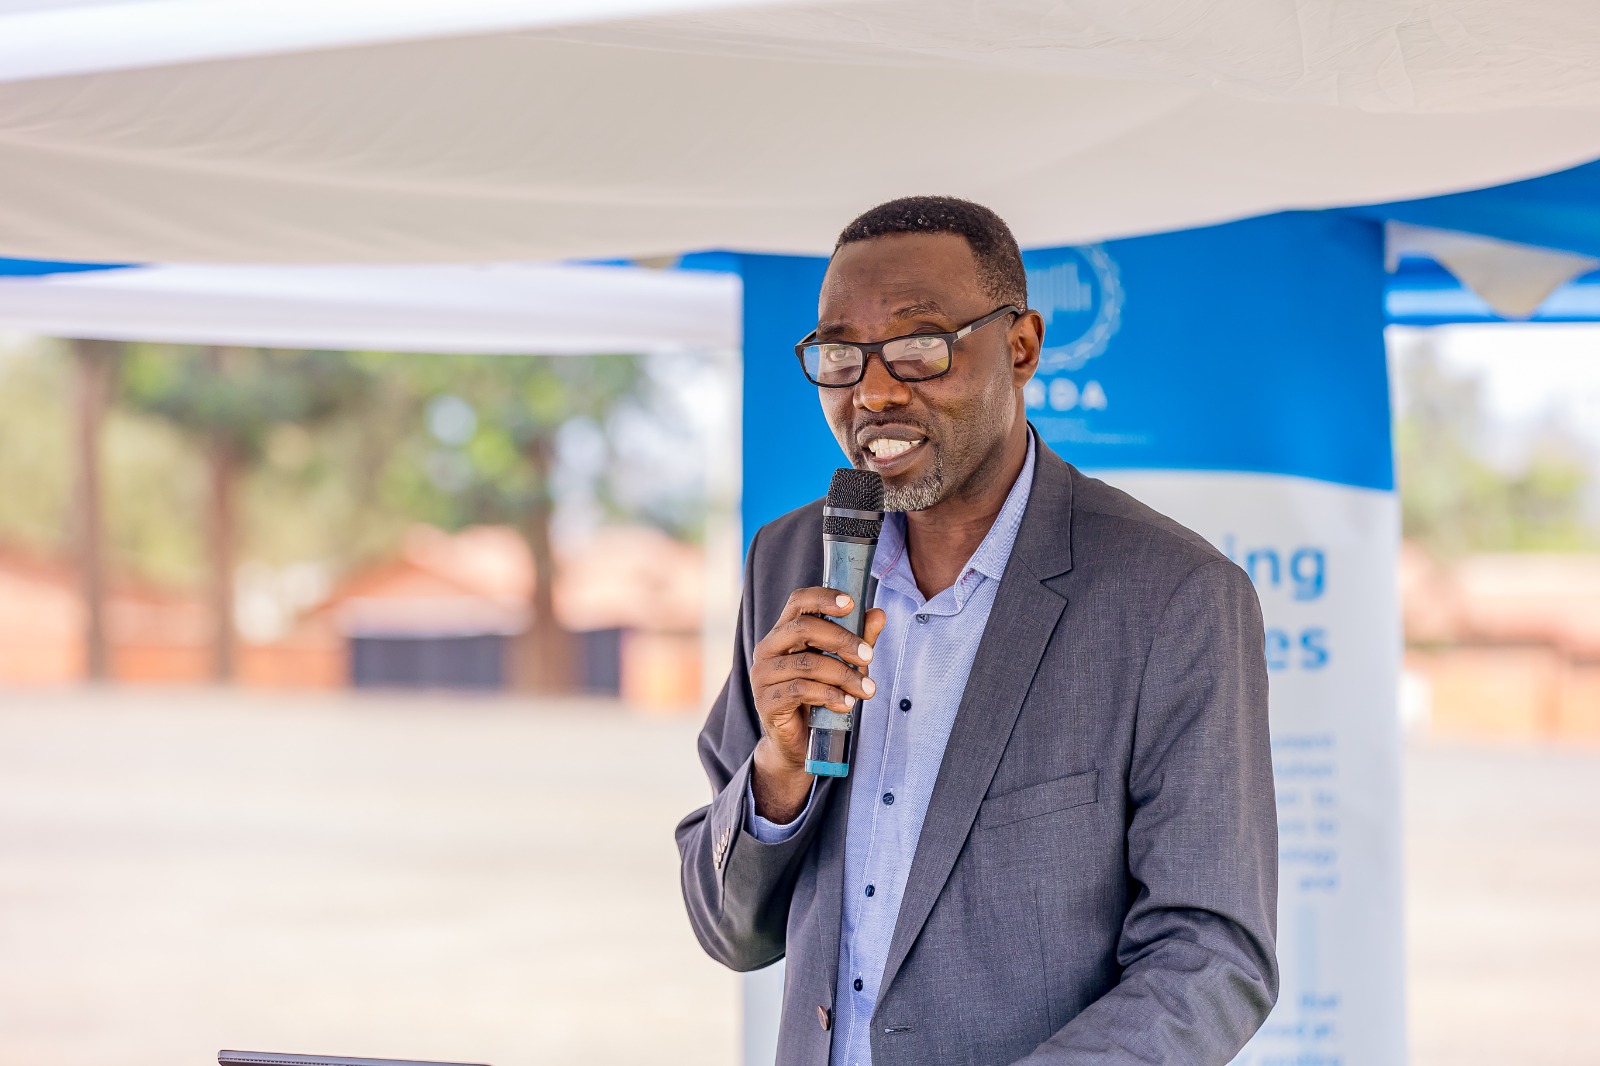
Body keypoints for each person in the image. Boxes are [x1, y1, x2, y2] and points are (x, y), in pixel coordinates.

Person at [677, 196, 1277, 1066]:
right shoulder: (790, 561)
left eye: (920, 346)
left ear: (1021, 346)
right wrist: (776, 774)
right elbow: (727, 930)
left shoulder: (1173, 596)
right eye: (841, 356)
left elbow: (1212, 959)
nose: (874, 392)